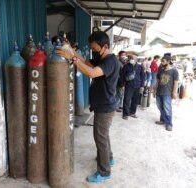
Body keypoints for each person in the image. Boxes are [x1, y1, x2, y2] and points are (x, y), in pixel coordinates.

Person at [56, 31, 120, 183]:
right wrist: (72, 51)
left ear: (105, 46)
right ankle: (108, 158)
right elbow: (87, 63)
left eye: (95, 48)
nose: (93, 51)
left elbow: (91, 73)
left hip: (106, 106)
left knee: (100, 138)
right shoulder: (102, 58)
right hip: (103, 104)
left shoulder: (110, 61)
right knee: (103, 135)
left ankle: (104, 172)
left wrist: (72, 58)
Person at [153, 54, 179, 131]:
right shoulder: (160, 70)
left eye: (163, 61)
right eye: (161, 61)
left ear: (168, 61)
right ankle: (162, 120)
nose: (162, 62)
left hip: (167, 93)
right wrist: (154, 90)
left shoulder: (174, 71)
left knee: (167, 108)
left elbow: (176, 82)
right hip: (159, 92)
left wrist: (174, 92)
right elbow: (157, 81)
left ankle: (169, 124)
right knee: (160, 107)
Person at [121, 55, 145, 120]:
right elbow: (122, 76)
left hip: (137, 86)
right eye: (130, 58)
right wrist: (123, 85)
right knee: (127, 100)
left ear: (136, 59)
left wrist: (142, 86)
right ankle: (125, 114)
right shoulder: (126, 66)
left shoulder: (140, 67)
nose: (131, 59)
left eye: (133, 58)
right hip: (129, 86)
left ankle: (132, 113)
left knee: (135, 101)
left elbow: (143, 77)